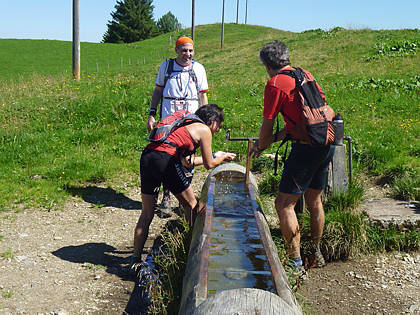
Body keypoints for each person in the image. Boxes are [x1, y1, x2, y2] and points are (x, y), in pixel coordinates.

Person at [250, 41, 335, 275]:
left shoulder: (276, 83)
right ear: (287, 59)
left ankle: (295, 264)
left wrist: (260, 146)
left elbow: (267, 125)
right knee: (314, 200)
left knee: (283, 204)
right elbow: (306, 116)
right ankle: (315, 251)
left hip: (305, 149)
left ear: (267, 64)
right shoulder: (305, 75)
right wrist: (276, 138)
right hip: (325, 143)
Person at [135, 104, 235, 264]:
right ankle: (193, 252)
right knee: (192, 205)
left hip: (148, 156)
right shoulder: (204, 129)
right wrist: (221, 157)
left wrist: (216, 155)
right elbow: (210, 164)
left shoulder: (186, 124)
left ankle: (135, 259)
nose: (218, 130)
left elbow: (188, 162)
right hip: (165, 159)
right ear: (212, 121)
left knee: (147, 213)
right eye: (219, 125)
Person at [147, 35, 209, 215]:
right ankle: (166, 196)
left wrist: (204, 121)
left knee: (188, 156)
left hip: (191, 117)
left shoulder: (198, 69)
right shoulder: (166, 67)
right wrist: (152, 114)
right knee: (167, 155)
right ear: (176, 50)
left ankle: (186, 200)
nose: (187, 54)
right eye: (183, 50)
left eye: (190, 51)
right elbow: (158, 90)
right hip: (168, 117)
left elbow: (203, 95)